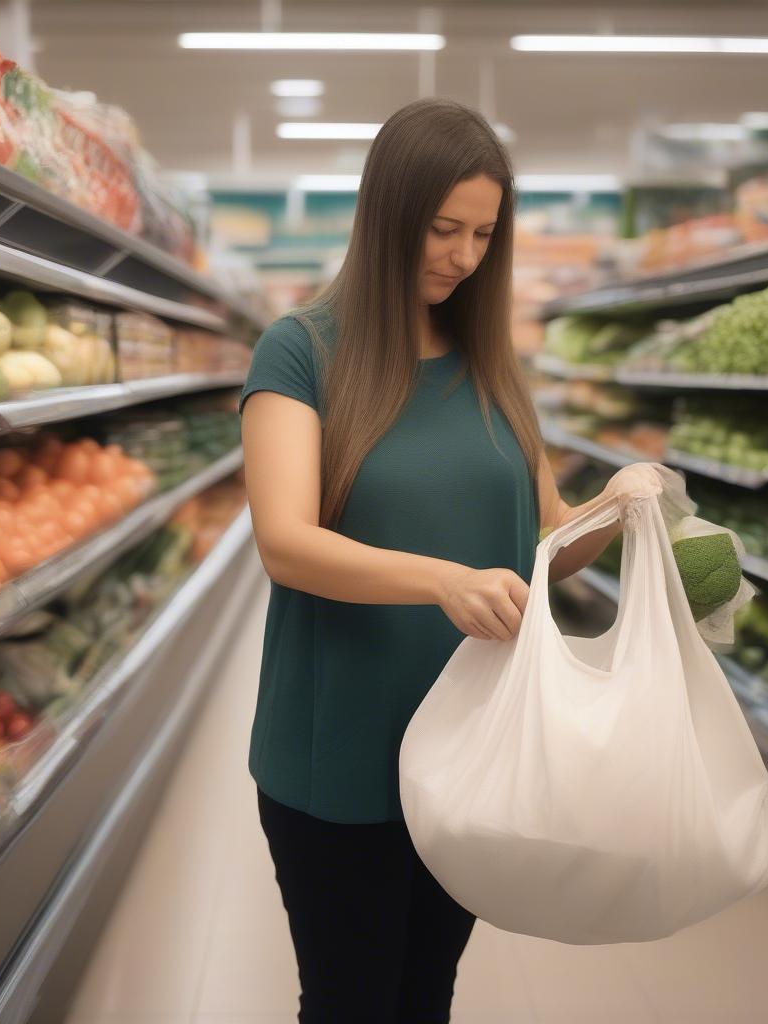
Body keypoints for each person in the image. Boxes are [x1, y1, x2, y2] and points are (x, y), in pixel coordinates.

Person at [239, 98, 660, 1024]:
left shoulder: (488, 364)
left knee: (427, 994)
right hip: (341, 755)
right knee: (351, 1001)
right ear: (388, 211)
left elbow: (548, 539)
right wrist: (442, 579)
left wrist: (626, 511)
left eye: (482, 234)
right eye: (442, 228)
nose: (463, 255)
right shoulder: (302, 351)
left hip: (476, 755)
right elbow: (285, 540)